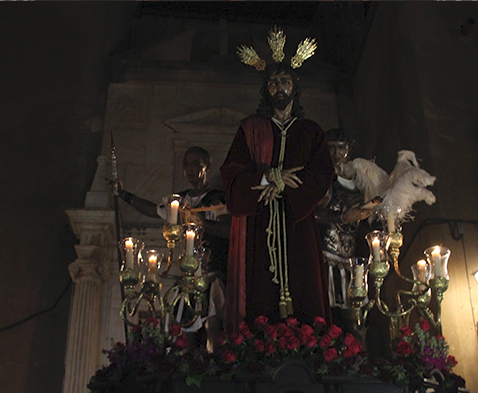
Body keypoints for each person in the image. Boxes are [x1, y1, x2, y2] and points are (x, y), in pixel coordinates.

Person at [220, 61, 334, 331]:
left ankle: (309, 343)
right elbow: (232, 173)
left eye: (285, 81)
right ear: (265, 89)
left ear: (295, 87)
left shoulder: (311, 131)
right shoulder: (250, 129)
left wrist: (284, 185)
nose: (279, 87)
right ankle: (259, 348)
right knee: (260, 288)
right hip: (260, 223)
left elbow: (321, 174)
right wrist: (268, 177)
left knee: (303, 280)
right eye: (273, 82)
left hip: (298, 220)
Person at [111, 146, 230, 346]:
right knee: (184, 325)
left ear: (207, 166)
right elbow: (152, 210)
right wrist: (124, 195)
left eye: (196, 164)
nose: (189, 169)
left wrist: (203, 223)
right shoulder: (178, 202)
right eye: (186, 164)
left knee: (212, 322)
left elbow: (229, 230)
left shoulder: (218, 199)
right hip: (186, 273)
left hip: (212, 270)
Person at [314, 128, 378, 331]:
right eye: (331, 148)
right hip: (325, 255)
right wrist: (340, 217)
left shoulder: (359, 182)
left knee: (356, 319)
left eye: (340, 148)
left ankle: (359, 360)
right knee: (323, 318)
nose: (335, 153)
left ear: (348, 150)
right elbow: (311, 212)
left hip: (351, 259)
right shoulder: (323, 178)